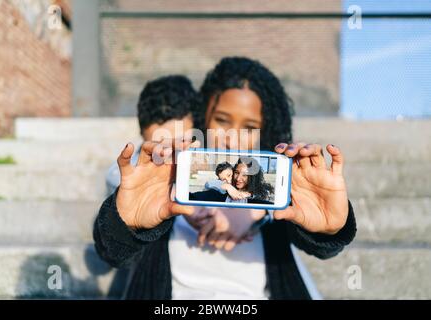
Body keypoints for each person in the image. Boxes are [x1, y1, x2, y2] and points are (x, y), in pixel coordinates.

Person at [94, 57, 357, 299]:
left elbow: (324, 247)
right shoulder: (164, 176)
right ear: (203, 117)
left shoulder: (277, 195)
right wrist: (130, 224)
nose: (233, 138)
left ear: (266, 131)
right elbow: (111, 248)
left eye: (250, 127)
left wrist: (259, 214)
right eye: (222, 120)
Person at [105, 75, 196, 195]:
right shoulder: (124, 178)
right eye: (160, 150)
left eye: (182, 146)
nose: (171, 159)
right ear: (142, 135)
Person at [193, 157, 274, 204]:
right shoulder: (223, 192)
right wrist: (228, 187)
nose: (238, 178)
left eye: (245, 175)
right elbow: (208, 185)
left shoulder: (260, 196)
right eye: (236, 173)